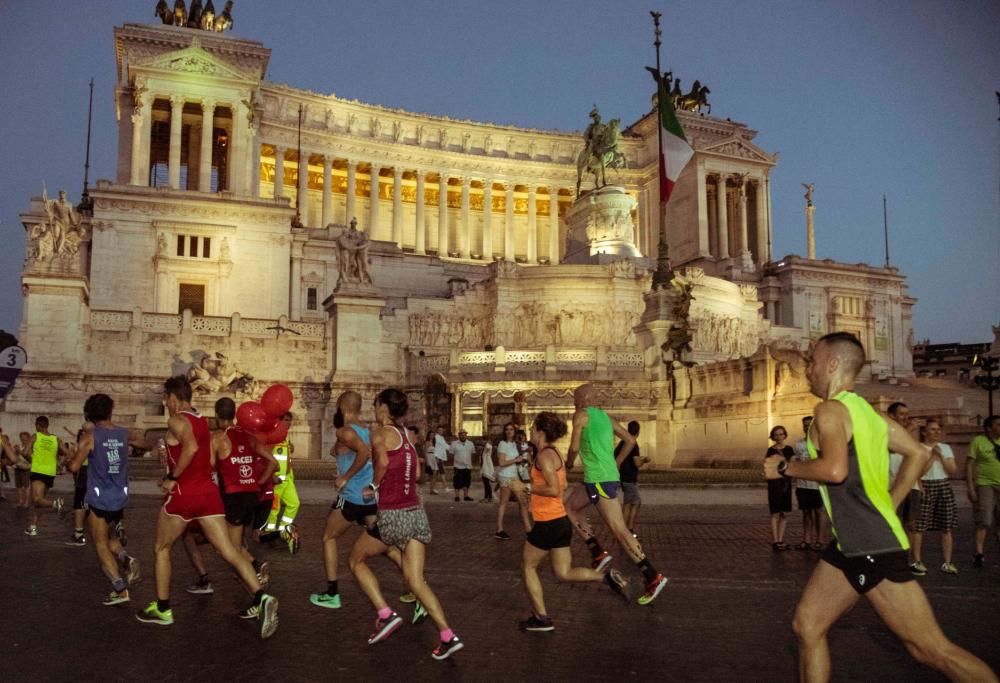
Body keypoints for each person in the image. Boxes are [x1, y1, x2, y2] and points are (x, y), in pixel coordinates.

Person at [763, 332, 996, 682]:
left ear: (832, 364)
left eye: (812, 362)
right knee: (807, 626)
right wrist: (891, 503)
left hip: (870, 544)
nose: (807, 370)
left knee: (931, 650)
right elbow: (918, 453)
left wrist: (785, 467)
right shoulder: (868, 414)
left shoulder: (829, 410)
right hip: (852, 543)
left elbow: (835, 470)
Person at [136, 376, 279, 639]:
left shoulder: (176, 419)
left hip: (184, 494)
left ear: (175, 398)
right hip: (208, 495)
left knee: (161, 547)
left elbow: (189, 447)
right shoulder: (201, 419)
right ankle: (261, 596)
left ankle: (163, 608)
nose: (164, 403)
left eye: (166, 398)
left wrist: (171, 478)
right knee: (230, 551)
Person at [349, 388, 463, 660]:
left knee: (355, 561)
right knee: (415, 580)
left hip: (393, 515)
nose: (375, 411)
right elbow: (419, 474)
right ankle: (447, 635)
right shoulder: (407, 437)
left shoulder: (381, 433)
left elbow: (384, 462)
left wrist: (374, 486)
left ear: (384, 408)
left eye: (377, 406)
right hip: (416, 513)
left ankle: (385, 614)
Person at [514, 411, 627, 632]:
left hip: (548, 522)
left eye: (533, 428)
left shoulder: (544, 457)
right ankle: (605, 578)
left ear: (540, 431)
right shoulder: (554, 453)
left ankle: (541, 618)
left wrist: (524, 486)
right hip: (560, 522)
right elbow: (560, 487)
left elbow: (554, 489)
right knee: (563, 573)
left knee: (527, 566)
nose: (530, 431)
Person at [564, 384, 668, 605]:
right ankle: (597, 552)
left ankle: (652, 575)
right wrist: (617, 462)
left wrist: (569, 463)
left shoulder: (580, 415)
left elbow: (574, 446)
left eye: (576, 398)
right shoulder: (606, 418)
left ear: (584, 399)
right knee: (571, 507)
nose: (574, 403)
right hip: (598, 478)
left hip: (600, 479)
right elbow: (630, 440)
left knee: (618, 530)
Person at [67, 394, 141, 605]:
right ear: (110, 410)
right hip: (119, 496)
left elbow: (74, 466)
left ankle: (120, 589)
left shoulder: (90, 436)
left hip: (99, 498)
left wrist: (70, 460)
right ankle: (126, 558)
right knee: (110, 538)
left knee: (99, 544)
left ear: (90, 414)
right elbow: (144, 442)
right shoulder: (123, 433)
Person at [310, 391, 378, 610]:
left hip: (351, 497)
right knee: (385, 543)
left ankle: (332, 593)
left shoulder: (346, 431)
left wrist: (344, 477)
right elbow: (362, 452)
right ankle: (415, 588)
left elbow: (365, 453)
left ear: (343, 407)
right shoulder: (366, 430)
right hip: (369, 498)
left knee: (328, 537)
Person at [211, 397, 278, 589]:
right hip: (251, 495)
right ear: (234, 414)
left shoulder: (218, 438)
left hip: (233, 496)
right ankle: (255, 567)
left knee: (229, 550)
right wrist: (258, 482)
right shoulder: (249, 436)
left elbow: (208, 467)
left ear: (217, 415)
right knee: (235, 543)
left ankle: (256, 591)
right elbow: (273, 463)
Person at [909, 418, 958, 575]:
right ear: (924, 431)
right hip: (925, 485)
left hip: (943, 485)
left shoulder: (945, 448)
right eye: (932, 429)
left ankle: (947, 562)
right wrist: (932, 457)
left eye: (938, 430)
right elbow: (918, 472)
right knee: (920, 526)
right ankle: (916, 560)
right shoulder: (919, 448)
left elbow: (952, 470)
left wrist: (941, 456)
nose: (936, 432)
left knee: (946, 526)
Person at [887, 402, 921, 567]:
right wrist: (908, 432)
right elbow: (892, 448)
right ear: (892, 416)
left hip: (911, 485)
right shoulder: (886, 430)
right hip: (892, 486)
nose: (906, 417)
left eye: (907, 413)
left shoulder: (911, 433)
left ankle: (909, 557)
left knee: (911, 523)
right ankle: (893, 556)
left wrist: (920, 483)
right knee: (894, 522)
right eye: (902, 414)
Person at [25, 415, 68, 536]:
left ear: (38, 425)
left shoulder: (35, 436)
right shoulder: (56, 439)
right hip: (50, 472)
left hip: (38, 470)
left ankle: (56, 504)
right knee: (38, 502)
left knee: (37, 499)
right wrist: (60, 464)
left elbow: (24, 452)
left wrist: (31, 460)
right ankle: (33, 527)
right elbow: (68, 453)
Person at [264, 412, 301, 554]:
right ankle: (270, 536)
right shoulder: (273, 437)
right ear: (278, 421)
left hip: (287, 480)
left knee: (294, 503)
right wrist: (271, 475)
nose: (288, 423)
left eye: (290, 421)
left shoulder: (285, 437)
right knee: (274, 510)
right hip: (276, 481)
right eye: (286, 420)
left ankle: (284, 530)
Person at [967, 415, 1000, 568]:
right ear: (989, 428)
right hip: (984, 484)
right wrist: (970, 486)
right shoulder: (978, 441)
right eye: (998, 425)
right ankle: (979, 552)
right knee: (984, 520)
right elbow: (969, 464)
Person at [791, 416, 824, 550]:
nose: (807, 427)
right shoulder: (798, 445)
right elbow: (796, 461)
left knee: (819, 513)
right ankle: (806, 539)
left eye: (809, 425)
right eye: (805, 425)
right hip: (802, 484)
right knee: (806, 513)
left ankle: (820, 540)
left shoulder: (821, 444)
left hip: (817, 485)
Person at [495, 422, 531, 539]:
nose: (509, 431)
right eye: (507, 429)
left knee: (523, 502)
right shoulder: (502, 444)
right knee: (504, 503)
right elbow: (501, 462)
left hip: (515, 476)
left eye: (511, 429)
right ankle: (499, 529)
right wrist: (516, 460)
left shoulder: (515, 444)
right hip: (506, 476)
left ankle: (529, 529)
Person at [616, 420, 649, 536]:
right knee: (628, 503)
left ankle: (629, 527)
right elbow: (636, 463)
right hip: (629, 478)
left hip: (624, 477)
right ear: (638, 432)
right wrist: (644, 460)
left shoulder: (622, 443)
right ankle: (624, 529)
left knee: (635, 502)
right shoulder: (633, 443)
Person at [766, 425, 794, 551]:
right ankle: (775, 541)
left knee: (784, 513)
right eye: (776, 434)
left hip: (786, 485)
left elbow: (792, 465)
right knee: (775, 513)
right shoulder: (770, 450)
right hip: (774, 485)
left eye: (781, 434)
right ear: (773, 436)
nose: (778, 437)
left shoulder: (789, 449)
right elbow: (767, 467)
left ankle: (781, 540)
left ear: (785, 435)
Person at [449, 430, 475, 501]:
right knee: (457, 482)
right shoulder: (454, 443)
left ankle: (466, 496)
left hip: (468, 466)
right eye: (462, 435)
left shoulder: (470, 443)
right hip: (458, 466)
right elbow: (451, 454)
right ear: (459, 435)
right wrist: (456, 461)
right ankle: (457, 496)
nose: (463, 436)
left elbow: (472, 454)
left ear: (466, 435)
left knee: (467, 482)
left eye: (464, 435)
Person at [13, 431, 32, 508]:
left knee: (26, 486)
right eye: (21, 438)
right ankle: (20, 501)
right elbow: (14, 457)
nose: (23, 440)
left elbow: (29, 458)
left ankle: (26, 502)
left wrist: (19, 452)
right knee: (19, 486)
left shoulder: (30, 448)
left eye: (25, 438)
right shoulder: (18, 446)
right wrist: (15, 452)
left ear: (28, 439)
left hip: (26, 469)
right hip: (18, 468)